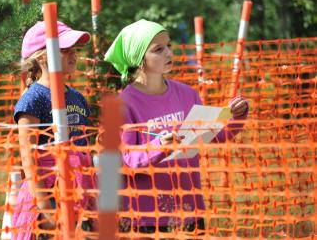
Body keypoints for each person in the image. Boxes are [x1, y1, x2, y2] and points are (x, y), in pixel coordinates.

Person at [104, 19, 249, 239]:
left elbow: (213, 136)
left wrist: (236, 116)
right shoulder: (123, 105)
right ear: (139, 59)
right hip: (148, 216)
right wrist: (158, 147)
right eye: (158, 49)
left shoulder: (188, 95)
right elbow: (124, 160)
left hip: (190, 208)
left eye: (169, 46)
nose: (168, 53)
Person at [12, 21, 96, 240]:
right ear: (42, 58)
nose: (74, 55)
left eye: (74, 49)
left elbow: (85, 149)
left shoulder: (77, 97)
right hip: (48, 194)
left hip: (79, 192)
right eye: (65, 50)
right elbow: (29, 160)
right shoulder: (33, 99)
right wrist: (46, 210)